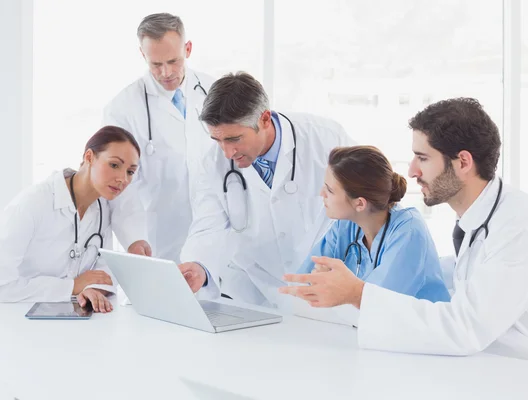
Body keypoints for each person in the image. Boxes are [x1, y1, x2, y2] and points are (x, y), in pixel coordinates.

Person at [280, 98, 528, 372]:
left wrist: (358, 293)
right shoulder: (476, 222)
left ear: (462, 162)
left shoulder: (519, 227)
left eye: (423, 158)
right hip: (503, 373)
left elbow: (464, 327)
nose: (411, 172)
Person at [178, 72, 353, 307]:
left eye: (234, 139)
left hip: (318, 280)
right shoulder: (213, 163)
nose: (227, 153)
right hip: (251, 287)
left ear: (265, 119)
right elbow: (207, 225)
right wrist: (198, 266)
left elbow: (363, 206)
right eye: (217, 140)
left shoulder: (326, 139)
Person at [103, 13, 215, 262]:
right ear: (143, 55)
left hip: (214, 232)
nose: (166, 73)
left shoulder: (214, 91)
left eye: (173, 61)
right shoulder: (122, 108)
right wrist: (132, 237)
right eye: (155, 64)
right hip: (157, 238)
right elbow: (117, 182)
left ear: (188, 48)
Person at [0, 126, 147, 313]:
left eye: (130, 172)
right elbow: (2, 285)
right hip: (17, 320)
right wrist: (72, 286)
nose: (122, 179)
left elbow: (105, 272)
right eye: (114, 165)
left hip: (72, 319)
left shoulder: (102, 208)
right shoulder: (33, 204)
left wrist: (90, 289)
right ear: (89, 157)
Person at [296, 145, 449, 303]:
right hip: (357, 325)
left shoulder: (408, 231)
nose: (322, 194)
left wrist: (334, 286)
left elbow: (376, 302)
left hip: (415, 326)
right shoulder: (345, 226)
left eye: (330, 190)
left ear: (360, 204)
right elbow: (303, 283)